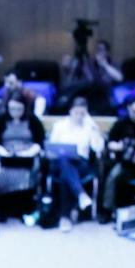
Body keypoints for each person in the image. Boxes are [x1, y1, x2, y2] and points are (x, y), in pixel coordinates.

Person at [43, 95, 101, 229]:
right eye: (76, 112)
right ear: (70, 111)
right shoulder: (60, 125)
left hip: (81, 164)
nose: (79, 116)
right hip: (59, 162)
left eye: (82, 113)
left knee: (65, 174)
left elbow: (98, 148)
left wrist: (94, 129)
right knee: (64, 161)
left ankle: (65, 217)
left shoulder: (89, 127)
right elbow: (52, 147)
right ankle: (80, 195)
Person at [0, 93, 46, 221]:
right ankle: (4, 207)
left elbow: (39, 141)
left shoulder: (33, 121)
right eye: (12, 109)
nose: (15, 112)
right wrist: (3, 152)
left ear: (24, 108)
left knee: (30, 171)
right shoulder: (1, 120)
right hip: (5, 154)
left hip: (27, 154)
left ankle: (24, 207)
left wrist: (29, 153)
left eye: (18, 109)